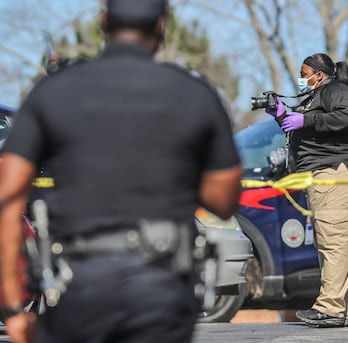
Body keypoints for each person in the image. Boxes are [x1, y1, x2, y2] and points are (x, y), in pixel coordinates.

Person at [0, 0, 243, 342]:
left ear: (103, 22)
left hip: (78, 285)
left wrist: (13, 307)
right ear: (161, 26)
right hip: (162, 289)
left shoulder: (53, 93)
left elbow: (7, 201)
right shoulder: (194, 94)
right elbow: (224, 199)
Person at [265, 53, 348, 328]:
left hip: (338, 170)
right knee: (328, 241)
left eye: (305, 73)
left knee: (333, 241)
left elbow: (347, 118)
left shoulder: (335, 90)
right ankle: (339, 308)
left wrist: (305, 121)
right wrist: (282, 116)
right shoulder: (314, 98)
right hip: (324, 172)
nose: (301, 79)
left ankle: (331, 309)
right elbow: (306, 132)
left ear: (320, 74)